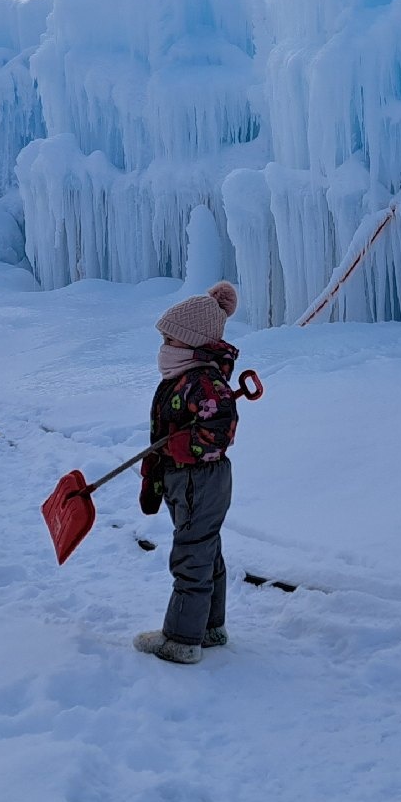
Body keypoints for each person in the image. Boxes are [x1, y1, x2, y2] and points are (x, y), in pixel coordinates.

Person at [134, 280, 242, 666]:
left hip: (201, 478)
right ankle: (210, 627)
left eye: (171, 339)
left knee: (191, 557)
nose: (164, 346)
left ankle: (181, 639)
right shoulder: (185, 377)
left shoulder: (203, 381)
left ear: (193, 343)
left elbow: (220, 430)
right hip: (187, 478)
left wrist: (182, 446)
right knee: (205, 550)